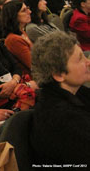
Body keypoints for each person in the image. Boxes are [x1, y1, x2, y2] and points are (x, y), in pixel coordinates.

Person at [30, 31, 90, 165]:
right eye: (81, 59)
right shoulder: (60, 117)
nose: (88, 62)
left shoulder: (75, 92)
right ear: (59, 74)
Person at [1, 0, 33, 75]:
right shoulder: (13, 40)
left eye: (27, 8)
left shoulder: (21, 32)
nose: (30, 12)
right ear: (14, 16)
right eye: (24, 10)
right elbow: (34, 64)